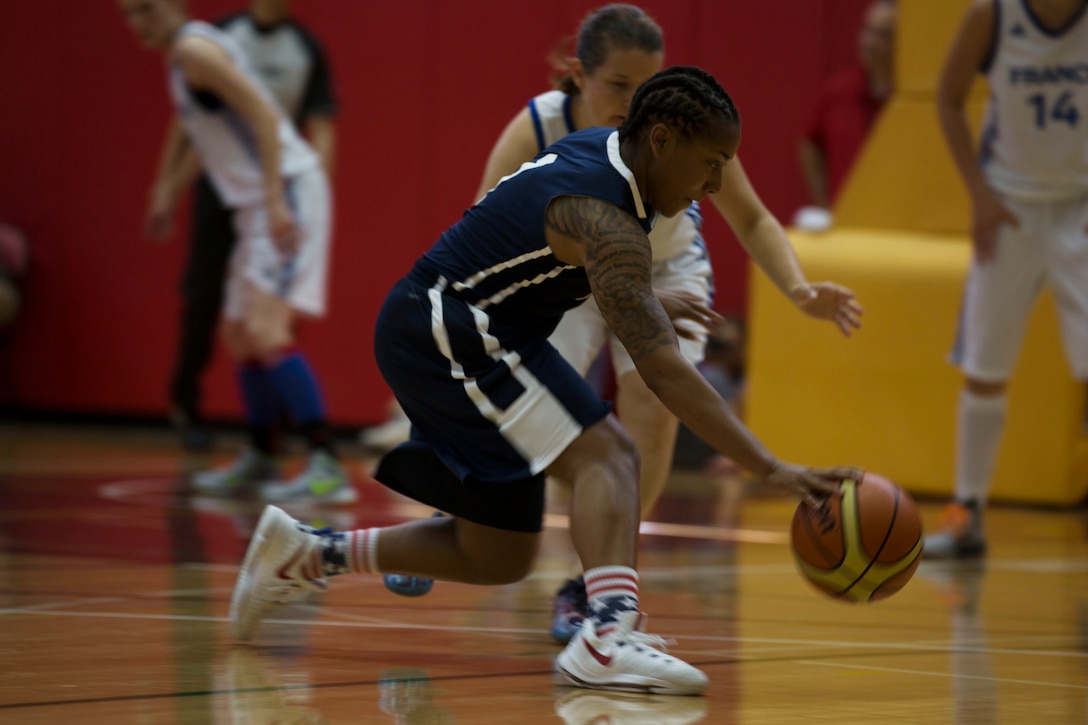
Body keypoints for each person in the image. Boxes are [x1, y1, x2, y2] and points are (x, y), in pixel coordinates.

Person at [229, 64, 864, 696]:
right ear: (664, 139)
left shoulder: (606, 156)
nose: (716, 182)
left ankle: (306, 554)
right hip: (448, 329)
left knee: (499, 554)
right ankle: (608, 635)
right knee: (609, 454)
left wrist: (636, 297)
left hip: (471, 326)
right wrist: (769, 466)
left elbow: (542, 250)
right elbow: (664, 370)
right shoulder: (609, 217)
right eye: (712, 161)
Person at [382, 4, 864, 644]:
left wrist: (799, 291)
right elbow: (478, 256)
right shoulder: (539, 126)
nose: (633, 101)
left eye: (645, 85)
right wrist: (769, 465)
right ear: (578, 74)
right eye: (618, 86)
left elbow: (750, 218)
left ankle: (596, 591)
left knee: (651, 420)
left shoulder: (687, 130)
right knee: (536, 401)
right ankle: (457, 508)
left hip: (666, 276)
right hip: (570, 278)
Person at [120, 0, 354, 503]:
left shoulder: (196, 50)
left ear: (174, 6)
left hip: (284, 189)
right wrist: (169, 189)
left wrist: (272, 197)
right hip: (256, 202)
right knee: (237, 333)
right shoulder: (185, 57)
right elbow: (214, 141)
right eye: (130, 13)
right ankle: (263, 456)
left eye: (148, 9)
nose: (141, 22)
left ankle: (326, 462)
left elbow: (265, 119)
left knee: (266, 331)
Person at [925, 0, 1088, 558]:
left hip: (1080, 205)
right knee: (985, 367)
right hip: (1009, 205)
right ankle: (966, 511)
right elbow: (946, 99)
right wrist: (978, 195)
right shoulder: (991, 16)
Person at [793, 0, 897, 232]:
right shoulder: (838, 92)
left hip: (894, 225)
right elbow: (810, 144)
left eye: (881, 35)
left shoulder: (909, 103)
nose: (869, 42)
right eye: (866, 30)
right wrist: (824, 204)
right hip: (845, 225)